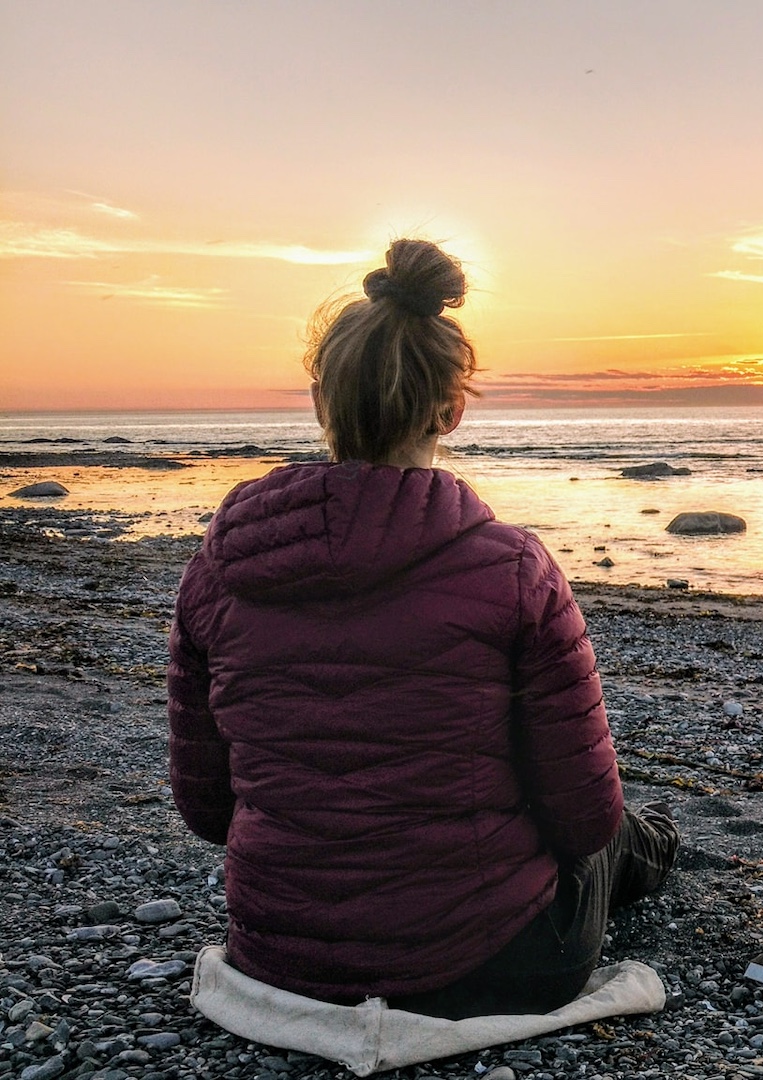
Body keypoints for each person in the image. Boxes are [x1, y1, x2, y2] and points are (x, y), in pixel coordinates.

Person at [167, 238, 678, 1019]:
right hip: (490, 964)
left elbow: (207, 810)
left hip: (277, 954)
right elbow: (581, 818)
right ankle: (664, 844)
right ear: (453, 408)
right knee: (619, 837)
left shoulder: (218, 570)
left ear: (320, 403)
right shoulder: (512, 570)